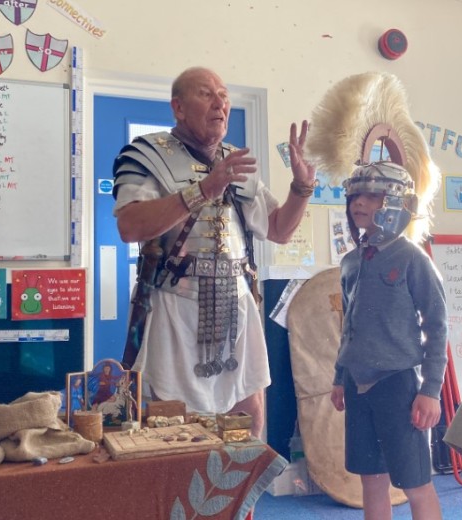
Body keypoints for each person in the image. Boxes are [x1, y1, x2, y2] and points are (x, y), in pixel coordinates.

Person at [112, 66, 315, 438]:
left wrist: (302, 188)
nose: (220, 103)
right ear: (178, 107)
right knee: (171, 422)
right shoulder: (146, 154)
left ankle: (244, 498)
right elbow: (130, 227)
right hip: (176, 305)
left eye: (224, 95)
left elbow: (278, 230)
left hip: (237, 305)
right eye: (207, 94)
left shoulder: (237, 162)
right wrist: (205, 189)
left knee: (248, 417)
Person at [329, 162, 448, 520]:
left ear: (396, 202)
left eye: (373, 196)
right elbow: (348, 324)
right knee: (371, 480)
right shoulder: (351, 262)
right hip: (356, 382)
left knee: (415, 483)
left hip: (397, 383)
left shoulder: (413, 258)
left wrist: (430, 390)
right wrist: (339, 377)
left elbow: (438, 325)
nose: (359, 203)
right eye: (356, 195)